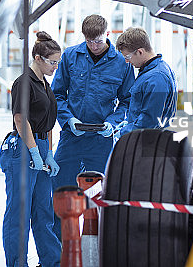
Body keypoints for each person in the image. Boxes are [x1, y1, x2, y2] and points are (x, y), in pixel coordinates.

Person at [51, 14, 134, 238]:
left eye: (98, 40)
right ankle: (59, 256)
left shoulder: (122, 63)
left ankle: (99, 254)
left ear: (107, 35)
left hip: (102, 140)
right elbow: (57, 95)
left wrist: (113, 124)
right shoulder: (70, 56)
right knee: (61, 195)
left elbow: (127, 101)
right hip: (72, 137)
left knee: (102, 198)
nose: (94, 46)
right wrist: (68, 119)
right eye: (89, 41)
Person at [0, 31, 62, 267]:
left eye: (57, 62)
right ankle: (17, 263)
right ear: (38, 58)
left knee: (43, 211)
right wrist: (35, 151)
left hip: (41, 148)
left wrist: (48, 153)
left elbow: (47, 122)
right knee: (19, 213)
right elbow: (20, 119)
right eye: (52, 62)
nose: (55, 66)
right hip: (24, 149)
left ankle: (52, 262)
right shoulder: (23, 83)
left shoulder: (45, 85)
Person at [114, 26, 177, 138]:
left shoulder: (155, 78)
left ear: (140, 52)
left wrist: (124, 132)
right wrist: (129, 123)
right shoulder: (153, 70)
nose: (127, 62)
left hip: (148, 141)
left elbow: (149, 121)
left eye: (128, 57)